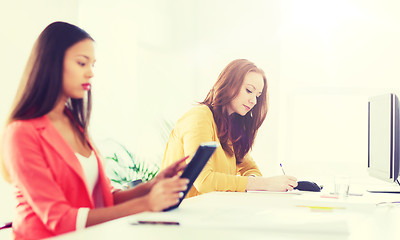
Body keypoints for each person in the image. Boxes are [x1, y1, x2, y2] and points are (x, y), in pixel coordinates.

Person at [0, 21, 189, 240]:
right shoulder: (21, 133)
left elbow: (103, 199)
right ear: (51, 63)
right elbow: (60, 219)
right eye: (82, 63)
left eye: (92, 65)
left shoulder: (74, 123)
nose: (90, 73)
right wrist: (145, 204)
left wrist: (150, 187)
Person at [161, 59, 297, 198]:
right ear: (229, 84)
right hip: (179, 214)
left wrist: (255, 180)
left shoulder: (230, 128)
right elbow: (203, 180)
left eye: (257, 95)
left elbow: (250, 168)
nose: (254, 101)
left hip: (208, 212)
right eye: (249, 90)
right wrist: (264, 184)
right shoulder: (200, 116)